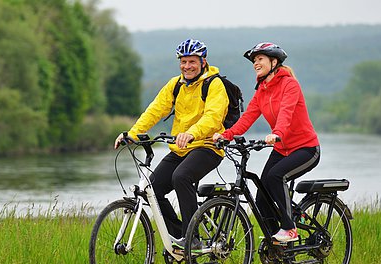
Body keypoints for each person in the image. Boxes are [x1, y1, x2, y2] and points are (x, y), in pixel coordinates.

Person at [114, 39, 229, 249]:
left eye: (192, 61)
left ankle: (191, 236)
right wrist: (132, 133)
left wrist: (191, 133)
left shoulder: (214, 84)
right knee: (154, 189)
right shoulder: (175, 85)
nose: (187, 66)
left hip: (208, 146)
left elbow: (213, 117)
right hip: (181, 148)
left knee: (181, 176)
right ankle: (179, 237)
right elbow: (155, 110)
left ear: (203, 62)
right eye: (183, 62)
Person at [213, 42, 320, 242]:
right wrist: (226, 135)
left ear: (274, 61)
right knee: (262, 196)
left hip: (306, 148)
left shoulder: (290, 84)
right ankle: (276, 243)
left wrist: (276, 133)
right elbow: (247, 118)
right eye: (254, 60)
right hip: (282, 148)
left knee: (275, 177)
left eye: (260, 59)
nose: (255, 63)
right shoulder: (262, 90)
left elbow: (286, 113)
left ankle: (289, 228)